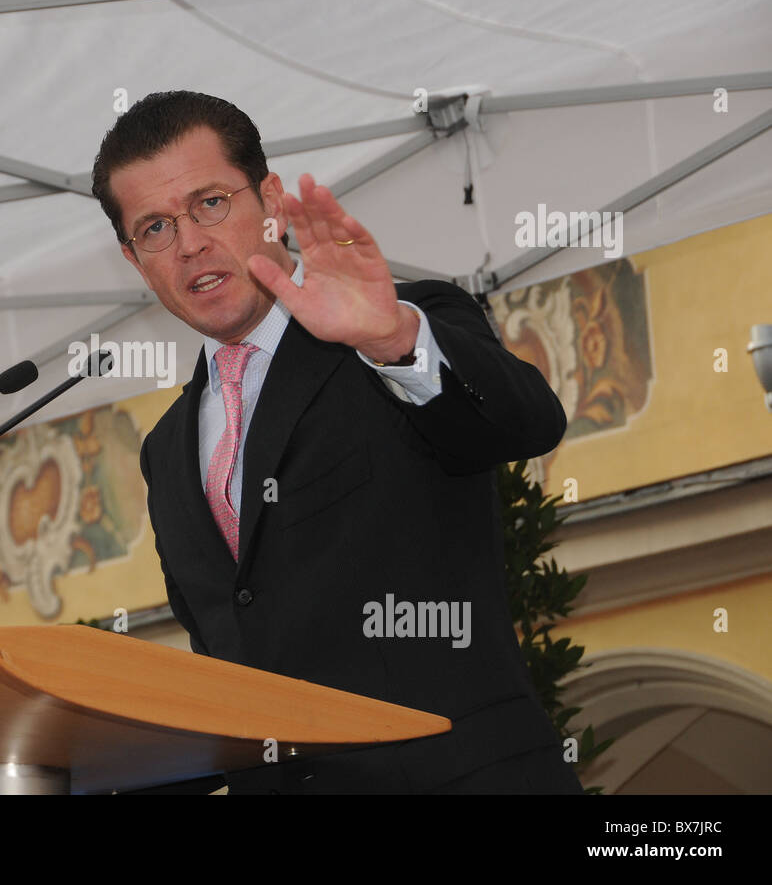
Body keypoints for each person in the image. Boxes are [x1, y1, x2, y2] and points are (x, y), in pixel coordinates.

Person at [90, 90, 582, 794]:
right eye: (156, 227)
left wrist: (391, 339)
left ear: (270, 201)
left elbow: (526, 421)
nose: (190, 242)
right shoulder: (164, 451)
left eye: (209, 204)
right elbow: (229, 653)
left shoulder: (394, 331)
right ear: (134, 258)